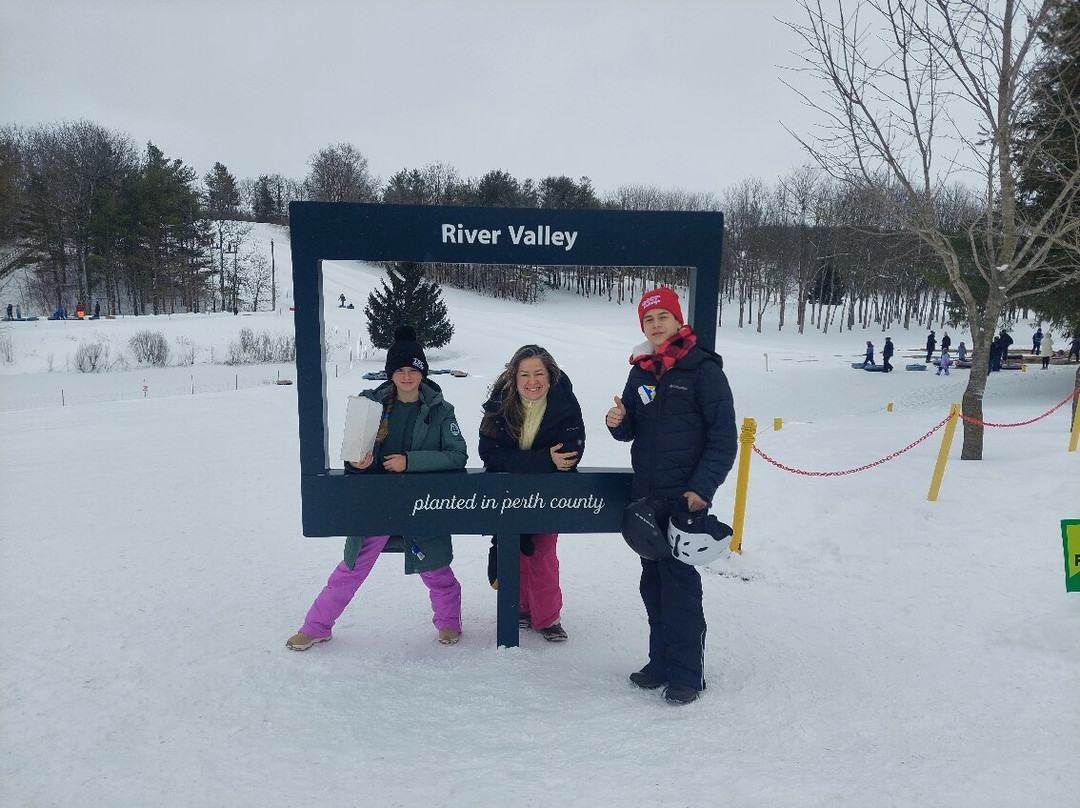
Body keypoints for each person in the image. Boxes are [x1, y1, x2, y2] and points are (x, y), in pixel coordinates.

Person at [286, 326, 468, 651]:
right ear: (390, 373)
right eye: (400, 370)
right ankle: (316, 626)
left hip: (420, 504)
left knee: (436, 568)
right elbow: (354, 451)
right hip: (376, 504)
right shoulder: (371, 403)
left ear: (423, 372)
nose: (407, 376)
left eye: (414, 370)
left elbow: (457, 455)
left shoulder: (442, 410)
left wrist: (410, 462)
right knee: (351, 568)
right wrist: (358, 463)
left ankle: (449, 624)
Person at [607, 287, 737, 704]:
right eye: (649, 319)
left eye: (664, 316)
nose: (657, 324)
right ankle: (659, 662)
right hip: (647, 497)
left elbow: (723, 437)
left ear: (678, 321)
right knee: (653, 584)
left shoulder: (702, 369)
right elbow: (631, 429)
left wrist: (701, 489)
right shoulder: (641, 371)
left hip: (685, 499)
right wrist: (618, 421)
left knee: (680, 585)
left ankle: (687, 673)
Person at [479, 344, 585, 643]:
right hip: (507, 492)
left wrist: (528, 462)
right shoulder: (499, 404)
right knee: (515, 548)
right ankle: (522, 608)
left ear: (550, 377)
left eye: (539, 373)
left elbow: (569, 454)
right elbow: (489, 452)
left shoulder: (564, 404)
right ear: (514, 378)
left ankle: (548, 617)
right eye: (524, 374)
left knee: (543, 551)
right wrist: (542, 460)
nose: (532, 381)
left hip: (547, 492)